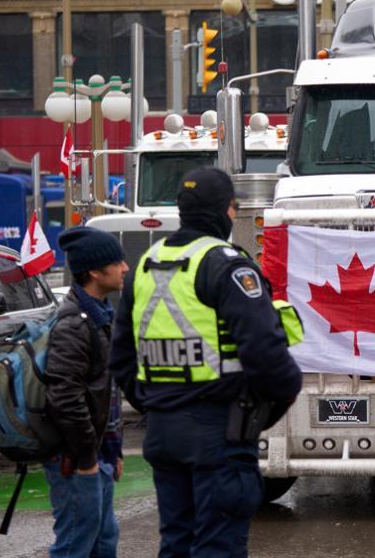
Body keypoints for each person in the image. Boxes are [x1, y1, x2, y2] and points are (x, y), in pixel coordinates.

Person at [110, 167, 302, 558]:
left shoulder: (146, 264)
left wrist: (156, 404)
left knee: (177, 542)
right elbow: (266, 354)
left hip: (164, 432)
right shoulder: (227, 265)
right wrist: (268, 408)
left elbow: (121, 358)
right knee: (219, 545)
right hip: (220, 433)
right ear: (225, 211)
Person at [45, 227, 129, 558]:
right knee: (75, 546)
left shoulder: (100, 317)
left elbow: (104, 395)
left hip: (97, 456)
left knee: (104, 541)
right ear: (94, 271)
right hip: (75, 459)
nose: (125, 268)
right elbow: (65, 397)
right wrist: (86, 459)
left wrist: (114, 451)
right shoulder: (73, 324)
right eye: (117, 262)